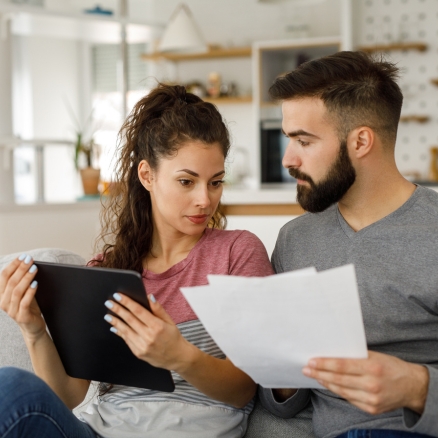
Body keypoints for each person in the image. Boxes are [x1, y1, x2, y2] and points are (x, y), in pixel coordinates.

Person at [0, 84, 274, 438]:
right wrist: (34, 330)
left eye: (216, 182)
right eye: (186, 181)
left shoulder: (237, 252)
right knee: (12, 388)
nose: (205, 200)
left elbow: (244, 390)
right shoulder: (106, 270)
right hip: (97, 432)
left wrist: (179, 355)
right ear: (147, 175)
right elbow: (67, 397)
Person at [258, 51, 438, 438]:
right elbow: (281, 403)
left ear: (360, 141)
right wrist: (283, 375)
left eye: (303, 140)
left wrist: (416, 386)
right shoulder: (295, 239)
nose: (288, 158)